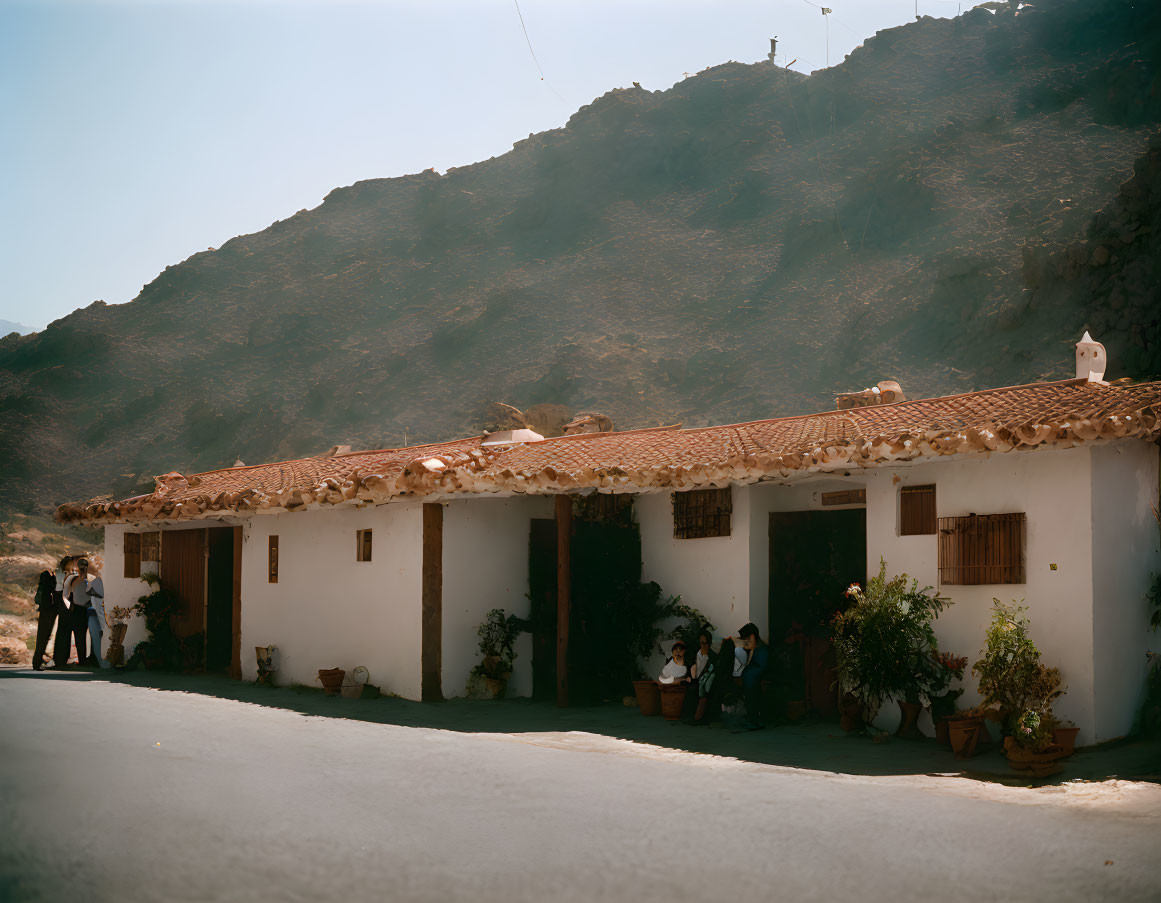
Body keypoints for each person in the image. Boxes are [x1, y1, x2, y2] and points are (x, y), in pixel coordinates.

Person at [736, 622, 769, 729]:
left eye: (747, 638)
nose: (746, 642)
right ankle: (753, 719)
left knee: (752, 695)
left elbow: (760, 667)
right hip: (752, 679)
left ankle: (754, 720)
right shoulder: (756, 648)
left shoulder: (762, 650)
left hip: (755, 679)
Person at [31, 570, 59, 670]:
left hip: (44, 612)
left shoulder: (42, 589)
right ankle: (37, 663)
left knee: (41, 638)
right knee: (44, 637)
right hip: (48, 613)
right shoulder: (50, 590)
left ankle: (36, 662)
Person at [52, 556, 75, 667]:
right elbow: (61, 591)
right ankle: (61, 659)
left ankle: (60, 658)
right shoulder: (63, 576)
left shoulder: (62, 574)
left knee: (63, 632)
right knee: (64, 632)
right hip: (64, 603)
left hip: (62, 603)